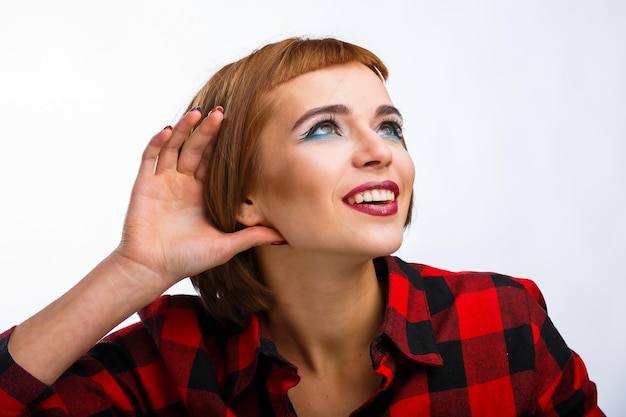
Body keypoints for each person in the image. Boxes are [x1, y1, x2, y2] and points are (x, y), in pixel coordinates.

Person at [0, 37, 603, 417]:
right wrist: (134, 270)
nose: (379, 152)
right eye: (324, 128)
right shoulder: (167, 365)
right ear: (246, 196)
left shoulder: (500, 320)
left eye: (389, 126)